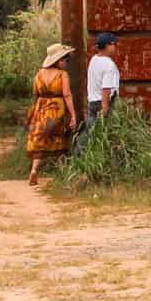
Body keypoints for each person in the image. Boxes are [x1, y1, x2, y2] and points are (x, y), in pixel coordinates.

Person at [23, 43, 78, 186]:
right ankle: (64, 173)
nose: (66, 63)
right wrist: (73, 114)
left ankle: (34, 170)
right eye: (65, 60)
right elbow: (67, 94)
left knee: (40, 143)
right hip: (56, 111)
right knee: (59, 141)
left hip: (41, 110)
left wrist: (33, 113)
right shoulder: (62, 75)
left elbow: (35, 95)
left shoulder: (39, 74)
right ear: (59, 61)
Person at [83, 32, 121, 135]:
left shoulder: (94, 59)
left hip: (92, 102)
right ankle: (81, 150)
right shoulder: (109, 65)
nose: (115, 47)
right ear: (107, 46)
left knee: (90, 132)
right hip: (102, 103)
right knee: (100, 134)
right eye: (113, 44)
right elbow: (106, 88)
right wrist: (105, 109)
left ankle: (79, 150)